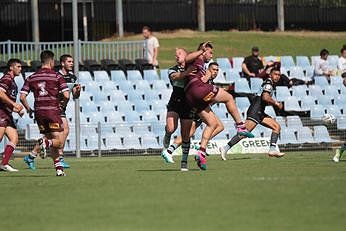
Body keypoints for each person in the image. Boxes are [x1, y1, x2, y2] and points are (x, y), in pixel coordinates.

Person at [184, 42, 253, 170]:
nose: (212, 54)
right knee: (229, 98)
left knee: (212, 124)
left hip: (191, 97)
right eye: (210, 52)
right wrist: (201, 52)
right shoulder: (198, 58)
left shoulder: (200, 66)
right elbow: (186, 58)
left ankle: (201, 152)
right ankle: (241, 127)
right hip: (198, 90)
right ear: (203, 51)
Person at [161, 62, 224, 169]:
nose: (215, 72)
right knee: (188, 134)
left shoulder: (210, 81)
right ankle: (170, 151)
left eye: (217, 70)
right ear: (208, 69)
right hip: (196, 108)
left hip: (201, 107)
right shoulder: (204, 78)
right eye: (213, 69)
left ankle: (200, 146)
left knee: (219, 126)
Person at [23, 54, 81, 170]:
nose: (72, 64)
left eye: (72, 62)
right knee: (64, 131)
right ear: (62, 63)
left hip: (58, 108)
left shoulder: (73, 77)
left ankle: (31, 156)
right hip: (54, 108)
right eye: (69, 62)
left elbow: (75, 95)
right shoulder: (56, 75)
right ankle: (60, 158)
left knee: (49, 136)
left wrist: (78, 91)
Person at [220, 67, 285, 160]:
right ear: (270, 75)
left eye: (279, 75)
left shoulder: (270, 83)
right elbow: (265, 97)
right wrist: (276, 103)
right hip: (255, 111)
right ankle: (225, 148)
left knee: (276, 127)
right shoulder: (268, 83)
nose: (277, 76)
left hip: (260, 112)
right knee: (244, 133)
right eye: (275, 74)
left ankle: (272, 149)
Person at [0, 59, 24, 172]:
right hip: (1, 112)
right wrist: (14, 104)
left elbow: (6, 101)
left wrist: (16, 109)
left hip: (7, 113)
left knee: (14, 138)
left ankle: (4, 164)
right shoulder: (6, 78)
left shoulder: (12, 81)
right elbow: (0, 93)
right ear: (11, 67)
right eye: (18, 66)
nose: (20, 69)